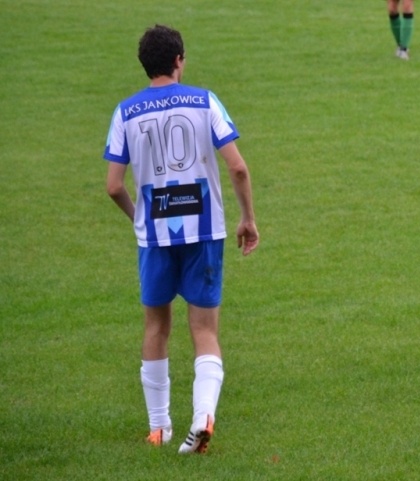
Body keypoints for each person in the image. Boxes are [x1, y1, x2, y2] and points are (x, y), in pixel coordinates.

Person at [104, 24, 260, 453]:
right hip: (205, 229)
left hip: (154, 235)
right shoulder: (204, 101)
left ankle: (159, 428)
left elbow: (114, 185)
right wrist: (248, 218)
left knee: (156, 325)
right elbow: (239, 168)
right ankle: (203, 417)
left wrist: (142, 219)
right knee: (204, 329)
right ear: (179, 61)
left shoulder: (126, 112)